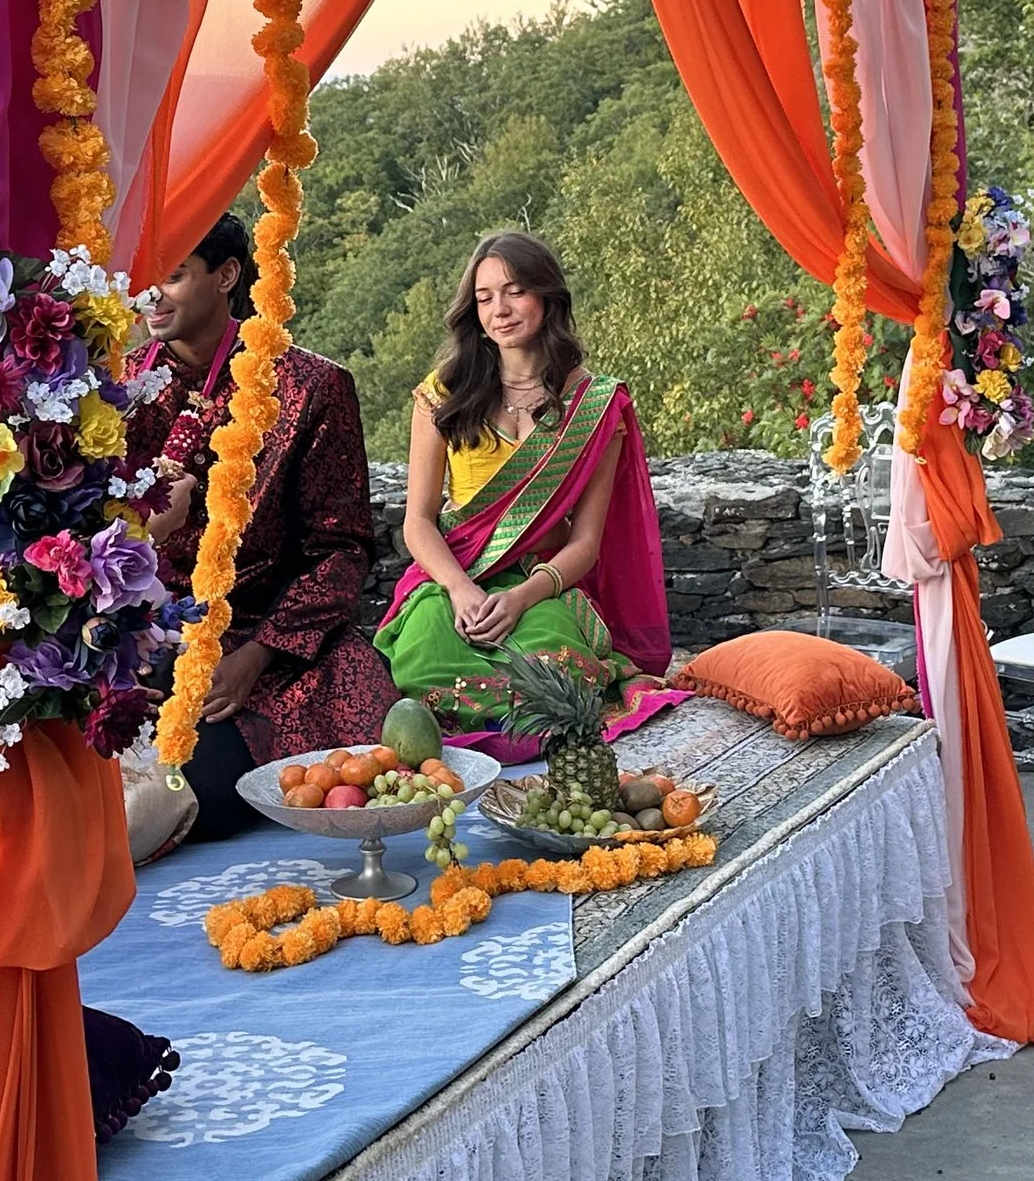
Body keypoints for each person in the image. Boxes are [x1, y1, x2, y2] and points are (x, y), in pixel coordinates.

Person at [136, 213, 398, 838]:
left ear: (227, 276)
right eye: (143, 278)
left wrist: (253, 658)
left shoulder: (311, 387)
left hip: (278, 642)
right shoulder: (118, 390)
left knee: (220, 786)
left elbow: (340, 550)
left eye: (171, 276)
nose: (151, 295)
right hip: (145, 634)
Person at [376, 231, 681, 747]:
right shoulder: (442, 396)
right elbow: (419, 521)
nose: (500, 309)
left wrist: (520, 598)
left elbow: (585, 543)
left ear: (547, 296)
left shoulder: (595, 407)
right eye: (484, 297)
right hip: (456, 577)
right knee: (425, 649)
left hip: (540, 583)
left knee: (554, 663)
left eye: (515, 291)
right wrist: (460, 590)